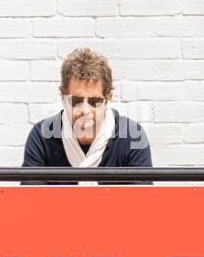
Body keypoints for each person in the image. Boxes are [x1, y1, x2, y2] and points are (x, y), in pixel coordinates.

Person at [21, 48, 153, 185]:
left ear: (108, 98)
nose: (85, 110)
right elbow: (30, 203)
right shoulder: (42, 137)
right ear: (63, 97)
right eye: (76, 101)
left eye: (94, 101)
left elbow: (142, 203)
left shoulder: (132, 137)